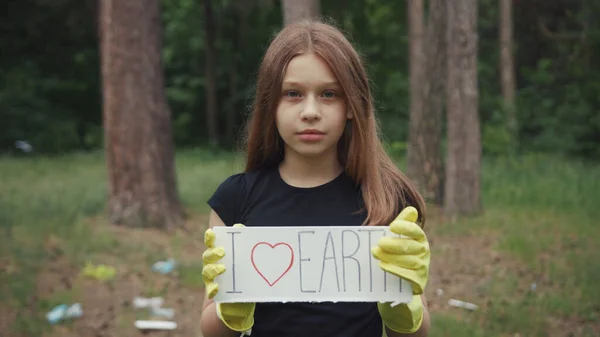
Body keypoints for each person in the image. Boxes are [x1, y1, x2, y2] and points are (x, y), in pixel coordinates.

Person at [200, 19, 431, 337]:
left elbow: (415, 333)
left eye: (329, 94)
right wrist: (230, 310)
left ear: (352, 105)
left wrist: (404, 310)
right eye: (293, 93)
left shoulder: (389, 199)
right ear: (271, 105)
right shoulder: (234, 198)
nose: (310, 111)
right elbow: (210, 330)